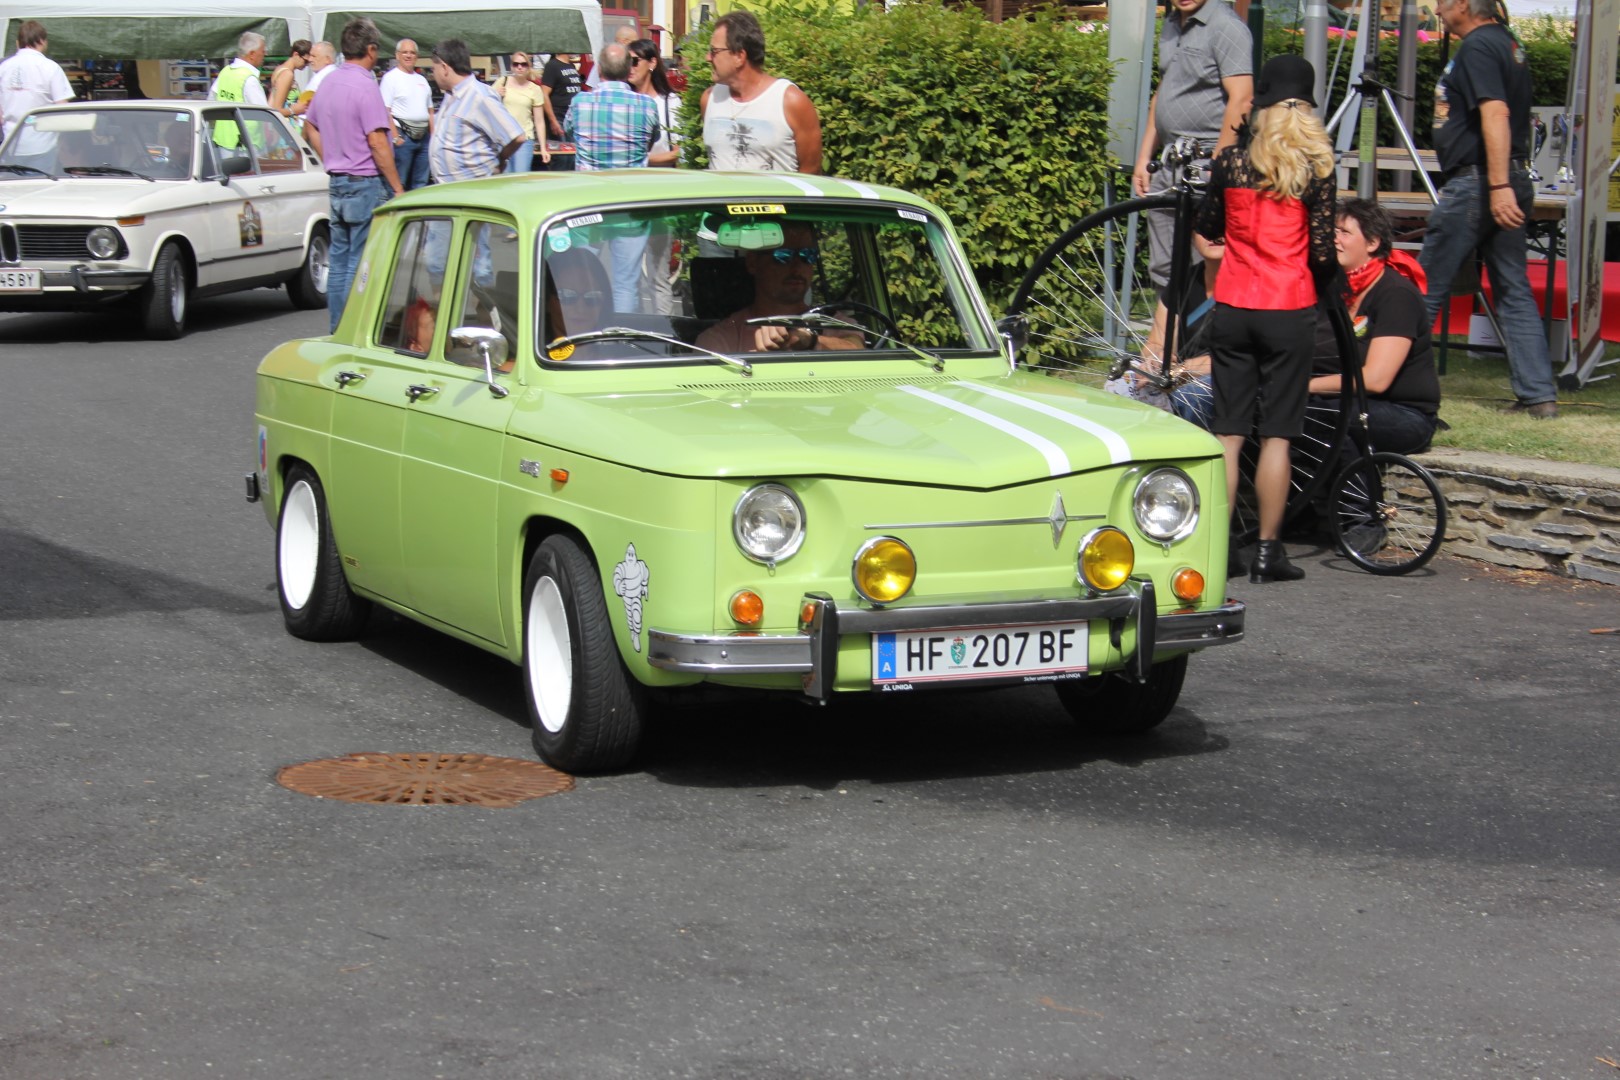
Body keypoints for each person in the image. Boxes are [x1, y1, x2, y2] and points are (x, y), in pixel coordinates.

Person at [1196, 54, 1337, 584]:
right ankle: (1267, 552)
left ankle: (1220, 547)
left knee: (1229, 432)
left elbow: (1210, 225)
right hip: (1289, 305)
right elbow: (1323, 251)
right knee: (1278, 434)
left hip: (1234, 304)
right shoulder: (1316, 167)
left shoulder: (1231, 162)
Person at [1419, 0, 1556, 418]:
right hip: (1504, 177)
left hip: (1480, 182)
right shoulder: (1508, 42)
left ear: (1464, 4)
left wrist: (1497, 187)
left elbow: (1496, 113)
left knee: (1423, 286)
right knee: (1513, 288)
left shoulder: (1478, 48)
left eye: (1443, 3)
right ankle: (1539, 396)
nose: (1438, 11)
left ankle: (1388, 386)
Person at [1131, 0, 1252, 368]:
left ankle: (1203, 357)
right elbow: (1164, 90)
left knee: (1207, 266)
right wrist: (1144, 155)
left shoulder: (1226, 26)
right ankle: (1162, 351)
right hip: (1169, 161)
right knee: (1165, 267)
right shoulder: (1171, 25)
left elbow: (1242, 97)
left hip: (1205, 163)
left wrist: (1219, 163)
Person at [1309, 199, 1442, 455]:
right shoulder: (1330, 288)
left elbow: (1376, 379)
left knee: (1310, 415)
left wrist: (1303, 386)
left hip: (1403, 413)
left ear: (1372, 243)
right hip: (1345, 401)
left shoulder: (1396, 294)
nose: (1333, 239)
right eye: (1331, 231)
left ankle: (1353, 494)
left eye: (1344, 232)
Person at [302, 17, 405, 333]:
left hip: (338, 180)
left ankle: (337, 327)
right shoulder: (365, 84)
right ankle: (351, 330)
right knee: (360, 265)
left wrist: (331, 155)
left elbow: (310, 126)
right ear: (371, 50)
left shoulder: (329, 81)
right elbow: (377, 141)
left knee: (340, 263)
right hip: (363, 180)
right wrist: (398, 187)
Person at [566, 43, 660, 311]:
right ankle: (621, 340)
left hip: (587, 206)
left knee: (580, 281)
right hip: (630, 205)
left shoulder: (581, 102)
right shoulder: (646, 105)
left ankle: (581, 336)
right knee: (625, 284)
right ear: (628, 68)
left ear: (600, 69)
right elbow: (650, 142)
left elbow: (570, 133)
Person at [694, 222, 863, 353]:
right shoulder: (720, 339)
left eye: (807, 255)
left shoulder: (833, 323)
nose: (797, 267)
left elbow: (859, 351)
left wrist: (810, 341)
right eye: (783, 256)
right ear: (753, 263)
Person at [700, 10, 822, 174]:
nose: (708, 57)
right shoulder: (710, 99)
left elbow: (811, 171)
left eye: (714, 51)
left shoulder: (789, 101)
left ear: (739, 56)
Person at [629, 39, 682, 314]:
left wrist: (635, 159)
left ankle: (665, 337)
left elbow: (677, 153)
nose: (630, 67)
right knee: (627, 277)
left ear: (652, 63)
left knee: (659, 275)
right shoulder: (624, 101)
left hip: (661, 194)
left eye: (635, 60)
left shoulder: (669, 103)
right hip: (627, 195)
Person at [428, 38, 525, 184]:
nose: (433, 75)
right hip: (448, 191)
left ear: (444, 68)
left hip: (471, 191)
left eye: (433, 69)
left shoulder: (479, 96)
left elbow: (516, 136)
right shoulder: (451, 95)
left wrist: (499, 160)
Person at [0, 20, 74, 169]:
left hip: (10, 142)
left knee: (12, 190)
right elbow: (63, 110)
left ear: (17, 43)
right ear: (42, 41)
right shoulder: (50, 68)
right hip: (42, 143)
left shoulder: (4, 67)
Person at [380, 38, 434, 190]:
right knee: (399, 183)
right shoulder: (390, 78)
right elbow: (385, 111)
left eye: (412, 53)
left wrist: (433, 137)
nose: (408, 56)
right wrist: (395, 137)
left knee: (421, 184)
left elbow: (430, 112)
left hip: (423, 138)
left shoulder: (422, 80)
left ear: (417, 56)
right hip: (403, 137)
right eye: (405, 52)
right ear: (397, 55)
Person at [493, 52, 549, 173]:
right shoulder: (502, 82)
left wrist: (543, 148)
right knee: (503, 179)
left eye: (523, 64)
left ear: (528, 67)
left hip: (524, 138)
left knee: (520, 177)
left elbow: (539, 121)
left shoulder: (534, 89)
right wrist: (497, 95)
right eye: (516, 64)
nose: (520, 67)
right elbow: (486, 105)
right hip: (503, 138)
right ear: (511, 66)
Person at [539, 51, 583, 169]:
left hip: (572, 118)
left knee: (572, 156)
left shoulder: (571, 66)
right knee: (562, 157)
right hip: (558, 116)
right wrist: (552, 120)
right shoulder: (552, 66)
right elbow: (544, 93)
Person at [207, 31, 268, 108]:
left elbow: (210, 103)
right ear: (252, 54)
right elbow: (263, 114)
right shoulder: (249, 79)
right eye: (263, 51)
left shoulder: (225, 72)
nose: (265, 54)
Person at [585, 24, 640, 90]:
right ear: (624, 41)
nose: (636, 46)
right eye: (635, 42)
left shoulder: (631, 60)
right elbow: (591, 87)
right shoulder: (605, 59)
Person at [268, 41, 310, 119]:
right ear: (296, 54)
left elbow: (272, 102)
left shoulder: (280, 69)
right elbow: (276, 110)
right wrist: (294, 110)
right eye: (306, 61)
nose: (307, 65)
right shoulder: (287, 74)